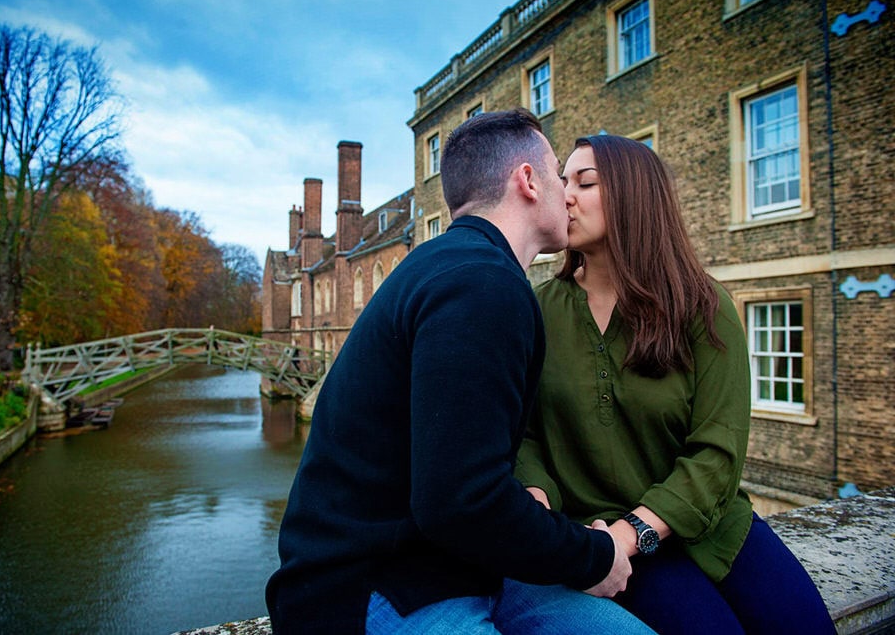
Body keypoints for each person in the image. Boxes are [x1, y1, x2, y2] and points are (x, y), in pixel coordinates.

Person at [266, 110, 654, 635]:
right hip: (368, 585)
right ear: (527, 180)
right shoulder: (480, 284)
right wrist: (595, 555)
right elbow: (461, 503)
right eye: (559, 174)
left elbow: (465, 470)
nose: (567, 192)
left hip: (456, 565)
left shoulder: (457, 266)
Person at [515, 134, 836, 634]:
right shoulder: (534, 310)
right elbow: (522, 431)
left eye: (586, 182)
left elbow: (718, 452)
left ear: (635, 195)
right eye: (562, 182)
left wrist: (629, 534)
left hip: (712, 529)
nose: (565, 195)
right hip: (607, 541)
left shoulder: (704, 307)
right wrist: (538, 499)